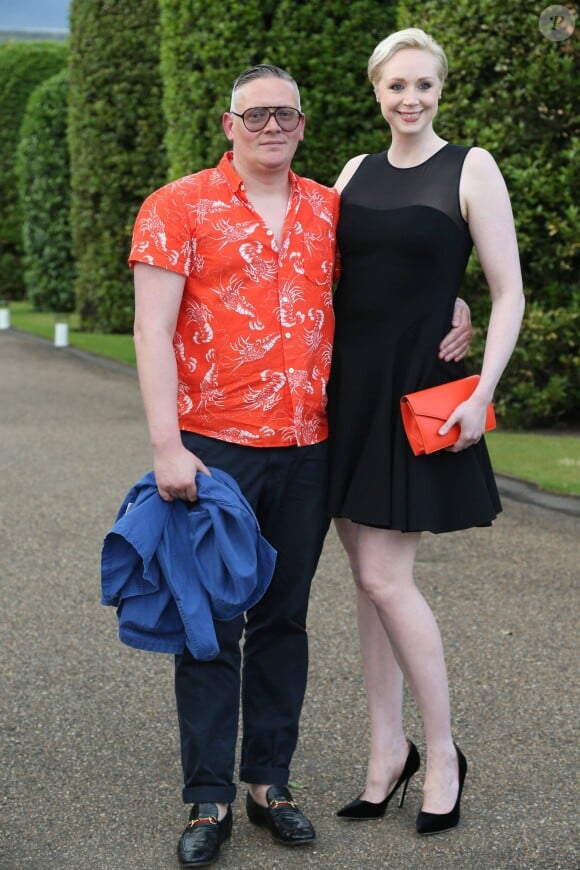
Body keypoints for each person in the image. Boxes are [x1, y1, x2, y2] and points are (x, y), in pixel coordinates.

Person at [129, 63, 472, 866]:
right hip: (212, 449)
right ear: (228, 124)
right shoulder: (177, 206)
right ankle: (207, 795)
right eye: (256, 116)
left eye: (286, 114)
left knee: (282, 620)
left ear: (304, 124)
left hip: (307, 447)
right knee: (209, 625)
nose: (272, 126)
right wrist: (165, 447)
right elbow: (151, 333)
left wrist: (451, 305)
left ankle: (268, 785)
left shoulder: (329, 209)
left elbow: (392, 280)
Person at [326, 28, 525, 836]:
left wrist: (482, 388)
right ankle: (385, 753)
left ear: (442, 90)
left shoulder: (471, 166)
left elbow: (509, 291)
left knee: (385, 579)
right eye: (396, 85)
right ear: (376, 90)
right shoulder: (353, 173)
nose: (410, 99)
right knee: (367, 590)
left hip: (420, 392)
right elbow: (334, 278)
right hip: (347, 395)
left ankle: (441, 752)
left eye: (424, 86)